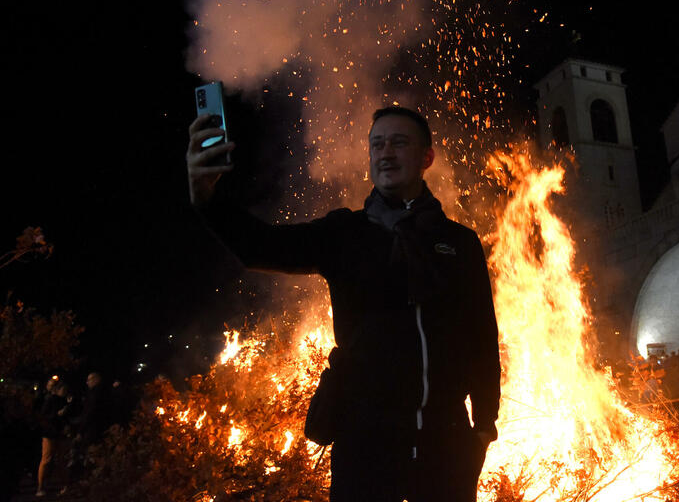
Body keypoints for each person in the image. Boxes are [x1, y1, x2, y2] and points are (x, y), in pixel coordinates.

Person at [187, 106, 501, 502]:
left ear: (427, 157)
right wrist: (208, 201)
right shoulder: (344, 233)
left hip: (447, 448)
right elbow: (259, 246)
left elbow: (481, 338)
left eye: (399, 142)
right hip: (364, 448)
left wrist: (484, 427)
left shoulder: (458, 243)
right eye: (377, 144)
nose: (385, 152)